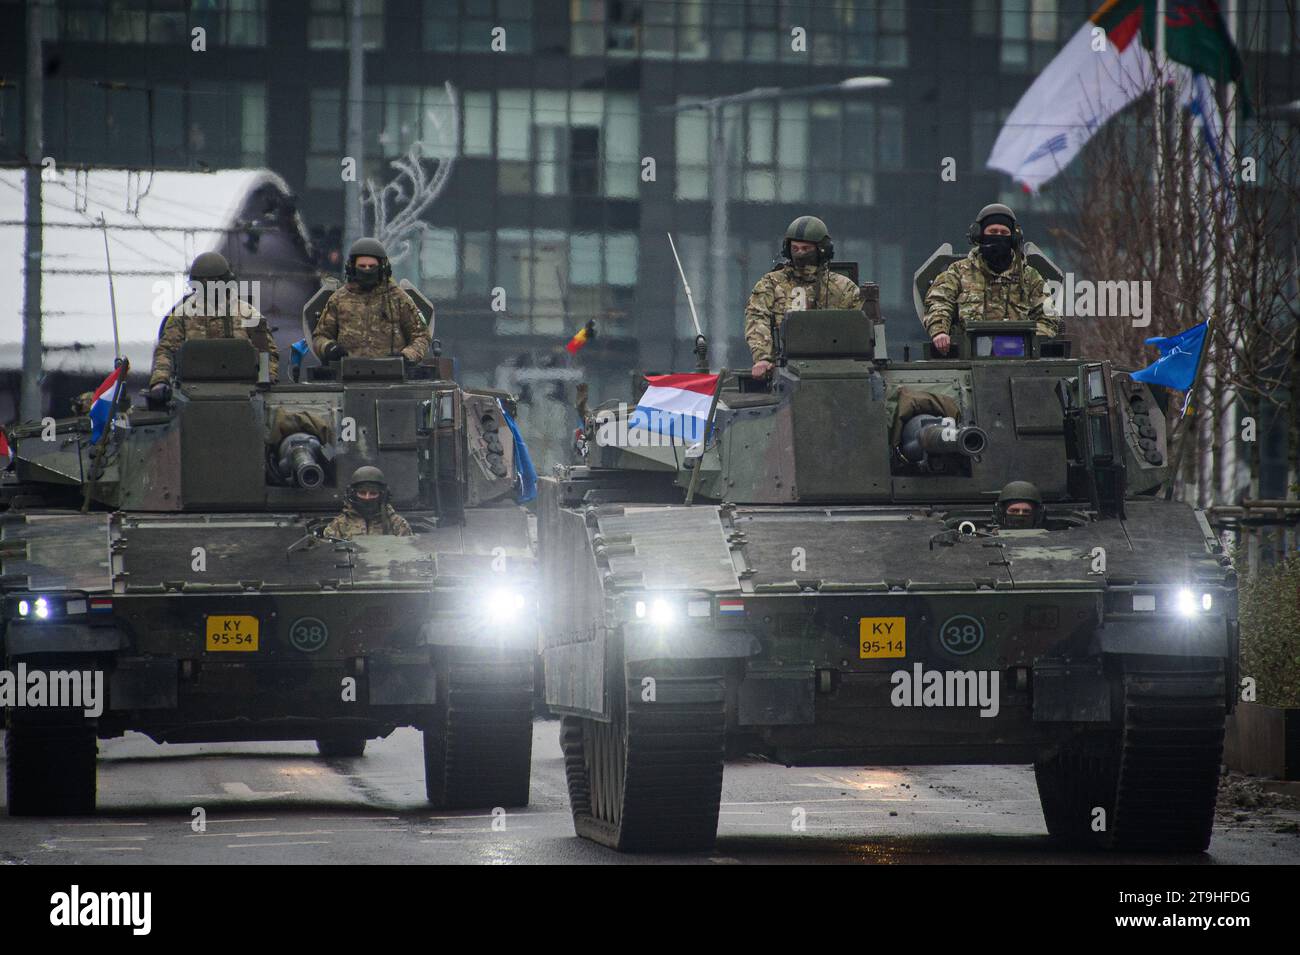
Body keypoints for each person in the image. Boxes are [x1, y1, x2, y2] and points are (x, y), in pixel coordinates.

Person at [922, 203, 1059, 356]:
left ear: (1013, 238)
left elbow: (1048, 316)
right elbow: (939, 301)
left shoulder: (1029, 277)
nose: (998, 236)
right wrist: (939, 331)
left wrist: (1026, 343)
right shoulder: (958, 273)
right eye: (993, 231)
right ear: (979, 235)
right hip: (967, 360)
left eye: (1004, 232)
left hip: (1020, 362)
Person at [147, 252, 278, 403]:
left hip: (243, 392)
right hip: (191, 393)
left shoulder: (247, 314)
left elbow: (267, 352)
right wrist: (160, 381)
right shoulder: (182, 315)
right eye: (202, 283)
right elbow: (166, 351)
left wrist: (266, 379)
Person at [744, 215, 864, 379]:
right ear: (788, 250)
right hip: (786, 369)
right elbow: (757, 317)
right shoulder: (771, 283)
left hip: (836, 370)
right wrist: (763, 358)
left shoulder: (844, 288)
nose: (800, 254)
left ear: (822, 250)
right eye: (795, 249)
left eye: (806, 249)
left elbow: (861, 329)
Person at [311, 237, 431, 364]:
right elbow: (320, 337)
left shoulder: (398, 298)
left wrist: (406, 356)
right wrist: (329, 348)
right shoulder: (339, 299)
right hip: (347, 376)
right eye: (362, 266)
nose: (367, 270)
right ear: (352, 268)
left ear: (382, 268)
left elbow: (421, 336)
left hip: (393, 376)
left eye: (372, 266)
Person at [322, 466, 413, 539]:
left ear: (382, 495)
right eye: (362, 493)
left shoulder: (397, 523)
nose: (367, 497)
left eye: (373, 493)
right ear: (353, 494)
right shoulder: (338, 525)